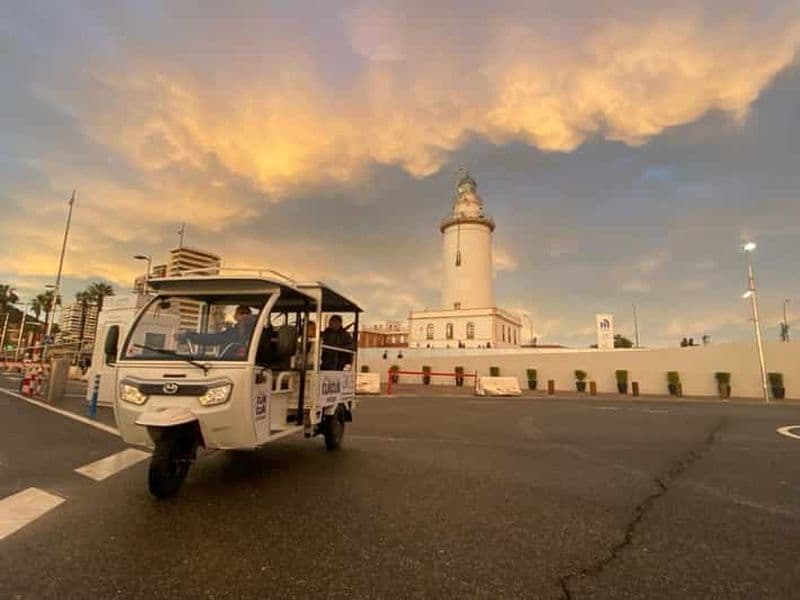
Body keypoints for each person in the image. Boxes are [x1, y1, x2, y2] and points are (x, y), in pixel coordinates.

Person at [176, 305, 258, 357]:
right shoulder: (256, 330)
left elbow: (213, 339)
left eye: (237, 313)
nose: (234, 315)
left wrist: (189, 336)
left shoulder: (237, 332)